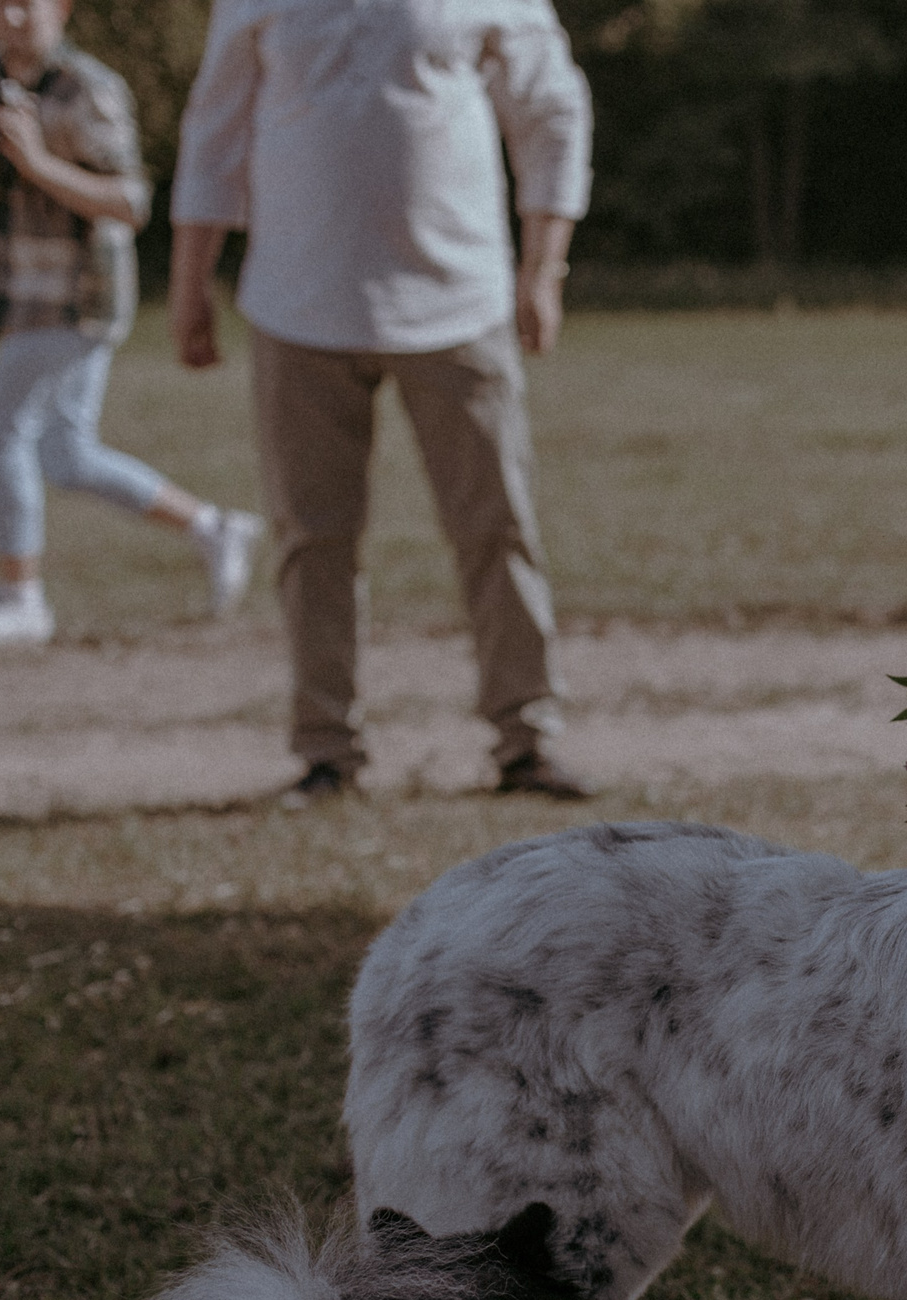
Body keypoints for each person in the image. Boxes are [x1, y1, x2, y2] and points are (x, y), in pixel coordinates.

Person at [167, 0, 595, 805]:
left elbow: (552, 107)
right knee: (312, 538)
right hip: (299, 304)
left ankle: (526, 741)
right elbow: (214, 128)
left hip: (458, 302)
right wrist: (192, 284)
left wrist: (544, 267)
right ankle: (328, 752)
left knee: (497, 527)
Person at [0, 0, 262, 648]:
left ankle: (21, 599)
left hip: (79, 294)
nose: (13, 17)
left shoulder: (90, 87)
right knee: (69, 455)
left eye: (28, 3)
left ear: (61, 8)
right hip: (19, 290)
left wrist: (36, 162)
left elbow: (131, 202)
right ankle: (214, 528)